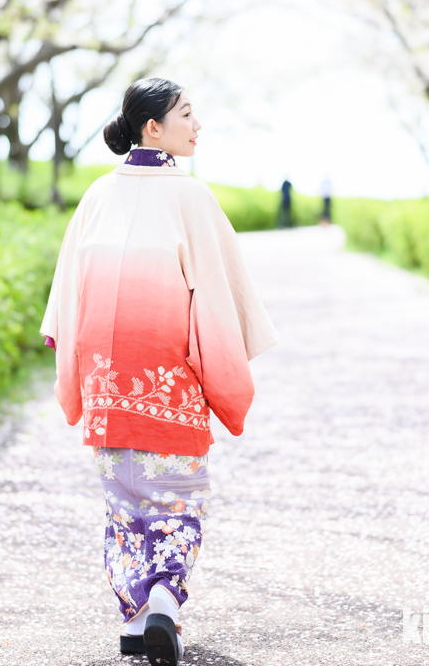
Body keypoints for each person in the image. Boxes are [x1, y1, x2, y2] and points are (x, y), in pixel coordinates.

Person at [41, 78, 278, 666]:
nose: (198, 127)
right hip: (166, 378)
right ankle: (166, 605)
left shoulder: (98, 194)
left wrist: (78, 368)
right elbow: (221, 303)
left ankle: (136, 617)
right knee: (176, 500)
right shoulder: (191, 197)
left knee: (125, 505)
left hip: (105, 379)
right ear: (154, 128)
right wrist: (223, 373)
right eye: (187, 115)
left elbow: (66, 297)